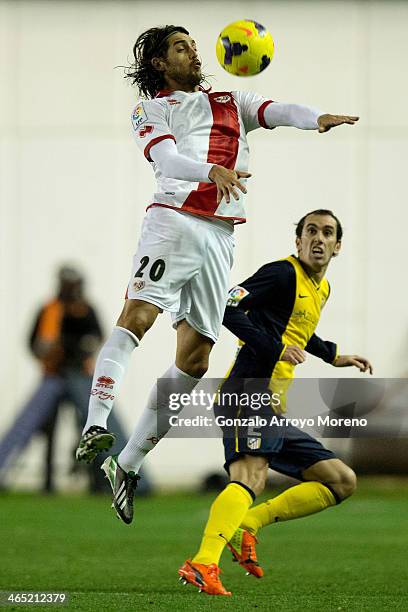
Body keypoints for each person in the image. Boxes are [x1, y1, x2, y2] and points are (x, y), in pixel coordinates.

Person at [75, 24, 359, 525]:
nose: (193, 51)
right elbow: (164, 157)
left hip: (220, 236)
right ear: (161, 63)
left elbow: (276, 110)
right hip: (173, 220)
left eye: (192, 44)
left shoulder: (231, 99)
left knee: (196, 359)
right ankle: (96, 425)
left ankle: (127, 465)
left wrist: (317, 119)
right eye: (181, 46)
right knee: (138, 316)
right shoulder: (153, 109)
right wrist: (212, 172)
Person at [178, 210, 373, 596]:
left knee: (340, 480)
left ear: (338, 246)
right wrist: (274, 348)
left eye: (327, 233)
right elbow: (227, 305)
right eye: (311, 231)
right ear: (298, 241)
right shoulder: (282, 274)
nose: (319, 238)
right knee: (250, 477)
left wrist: (334, 355)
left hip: (270, 406)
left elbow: (300, 328)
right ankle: (202, 562)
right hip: (245, 393)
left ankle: (249, 523)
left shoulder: (321, 287)